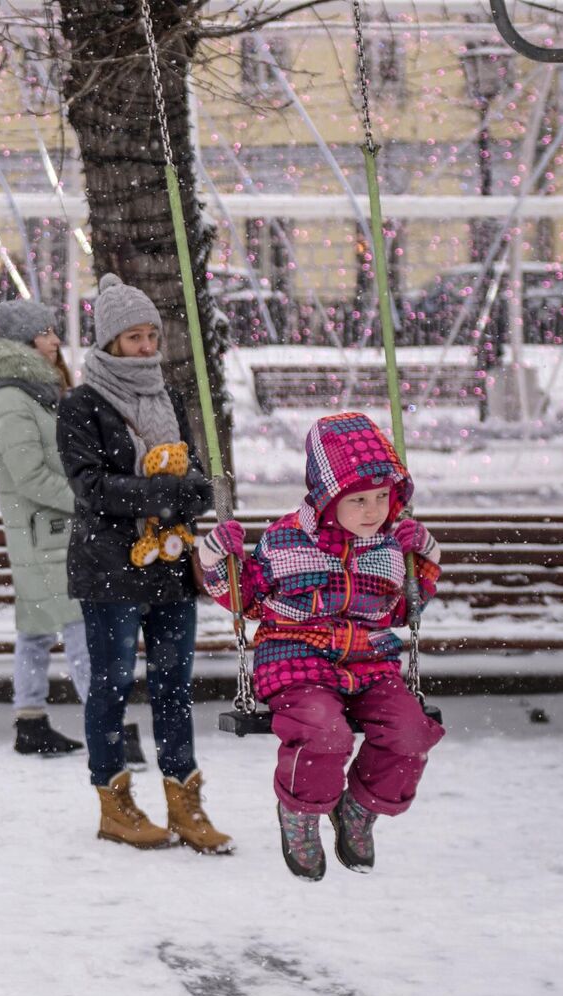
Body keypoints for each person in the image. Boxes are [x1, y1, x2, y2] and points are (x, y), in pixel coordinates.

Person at [196, 412, 444, 881]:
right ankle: (301, 813)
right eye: (358, 501)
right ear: (328, 500)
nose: (373, 511)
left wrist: (426, 555)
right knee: (325, 734)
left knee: (412, 734)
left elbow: (402, 614)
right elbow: (244, 600)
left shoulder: (391, 548)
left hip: (370, 663)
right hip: (295, 660)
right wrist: (214, 557)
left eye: (381, 498)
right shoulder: (286, 540)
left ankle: (358, 809)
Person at [57, 273, 230, 854]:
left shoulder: (168, 397)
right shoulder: (81, 405)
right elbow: (89, 488)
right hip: (109, 568)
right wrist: (162, 492)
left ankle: (186, 801)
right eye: (134, 338)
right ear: (108, 343)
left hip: (171, 566)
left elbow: (199, 482)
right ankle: (116, 803)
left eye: (151, 336)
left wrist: (187, 492)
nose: (147, 347)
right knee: (109, 685)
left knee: (174, 686)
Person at [0, 298, 90, 756]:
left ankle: (30, 721)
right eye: (45, 332)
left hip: (44, 531)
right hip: (48, 531)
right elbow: (30, 476)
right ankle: (106, 723)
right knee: (81, 628)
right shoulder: (11, 401)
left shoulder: (31, 393)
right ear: (24, 342)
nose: (55, 340)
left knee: (37, 627)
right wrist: (88, 500)